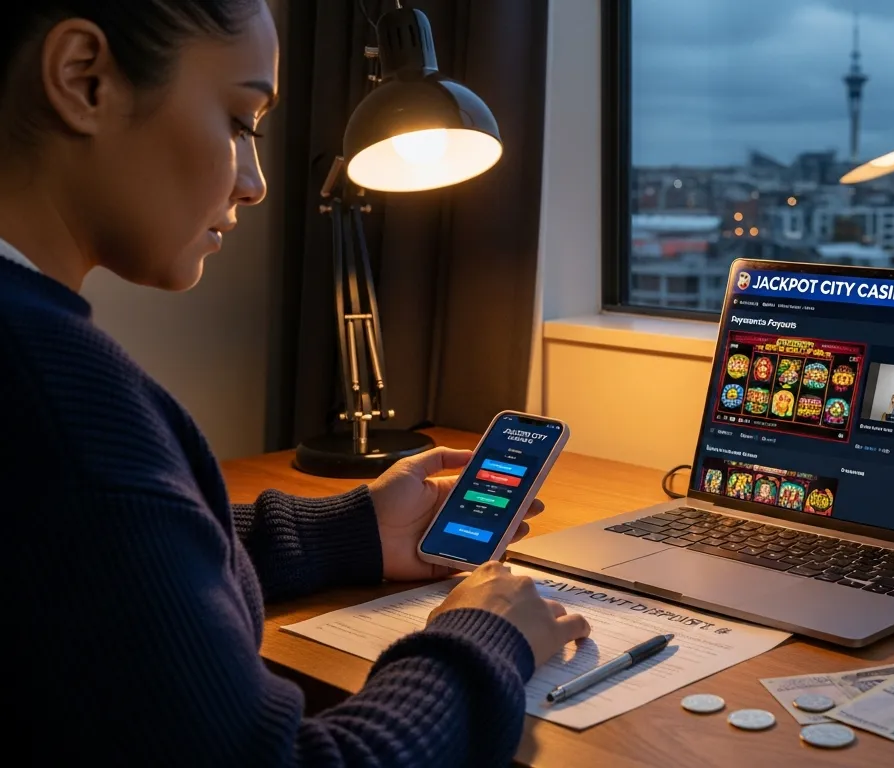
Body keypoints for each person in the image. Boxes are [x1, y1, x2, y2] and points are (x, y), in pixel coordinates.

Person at [0, 2, 590, 764]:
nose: (255, 184)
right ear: (84, 79)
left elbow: (98, 560)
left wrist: (350, 531)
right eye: (241, 121)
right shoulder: (59, 410)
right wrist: (485, 639)